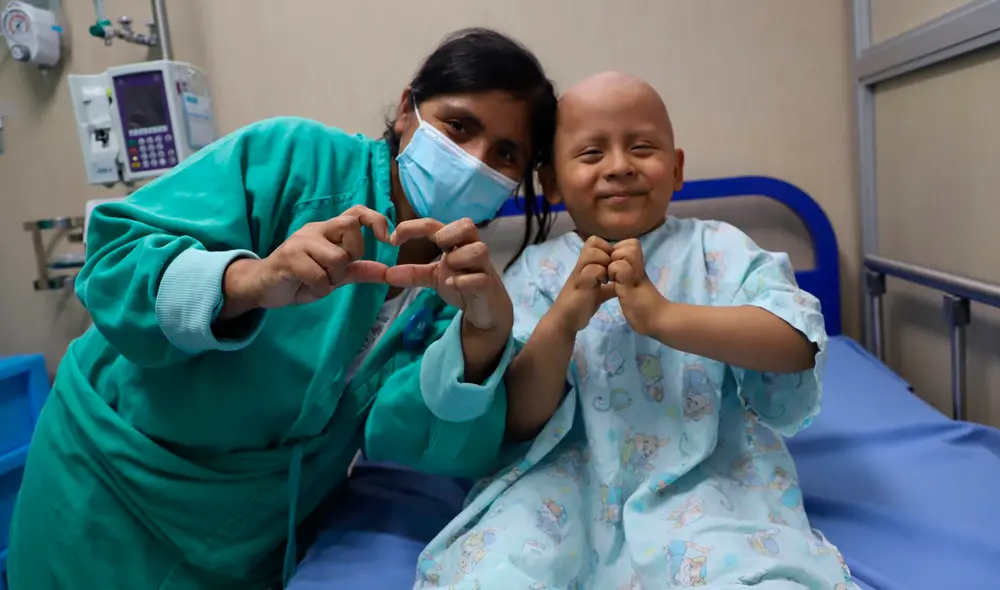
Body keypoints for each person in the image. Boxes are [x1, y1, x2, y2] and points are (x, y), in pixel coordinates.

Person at [6, 28, 557, 590]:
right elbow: (114, 266)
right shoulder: (295, 161)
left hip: (249, 532)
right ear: (405, 111)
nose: (473, 161)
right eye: (458, 127)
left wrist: (483, 339)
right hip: (107, 486)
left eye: (505, 154)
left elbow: (405, 438)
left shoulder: (451, 297)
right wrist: (250, 281)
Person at [413, 72, 856, 589]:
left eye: (642, 147)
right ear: (552, 181)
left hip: (706, 479)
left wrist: (662, 316)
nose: (620, 167)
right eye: (591, 154)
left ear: (677, 168)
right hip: (561, 484)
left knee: (748, 572)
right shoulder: (534, 273)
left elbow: (796, 343)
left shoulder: (720, 250)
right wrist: (562, 321)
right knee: (501, 566)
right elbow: (520, 418)